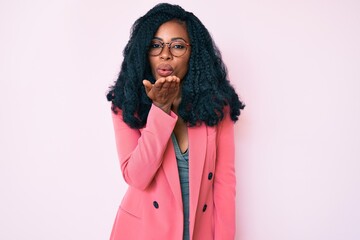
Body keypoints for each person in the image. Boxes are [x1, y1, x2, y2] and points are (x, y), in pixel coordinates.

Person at [106, 3, 245, 240]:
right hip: (143, 232)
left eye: (178, 46)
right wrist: (160, 109)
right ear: (143, 52)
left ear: (194, 53)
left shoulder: (216, 106)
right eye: (155, 45)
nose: (165, 54)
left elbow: (224, 185)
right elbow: (136, 177)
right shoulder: (126, 105)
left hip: (197, 232)